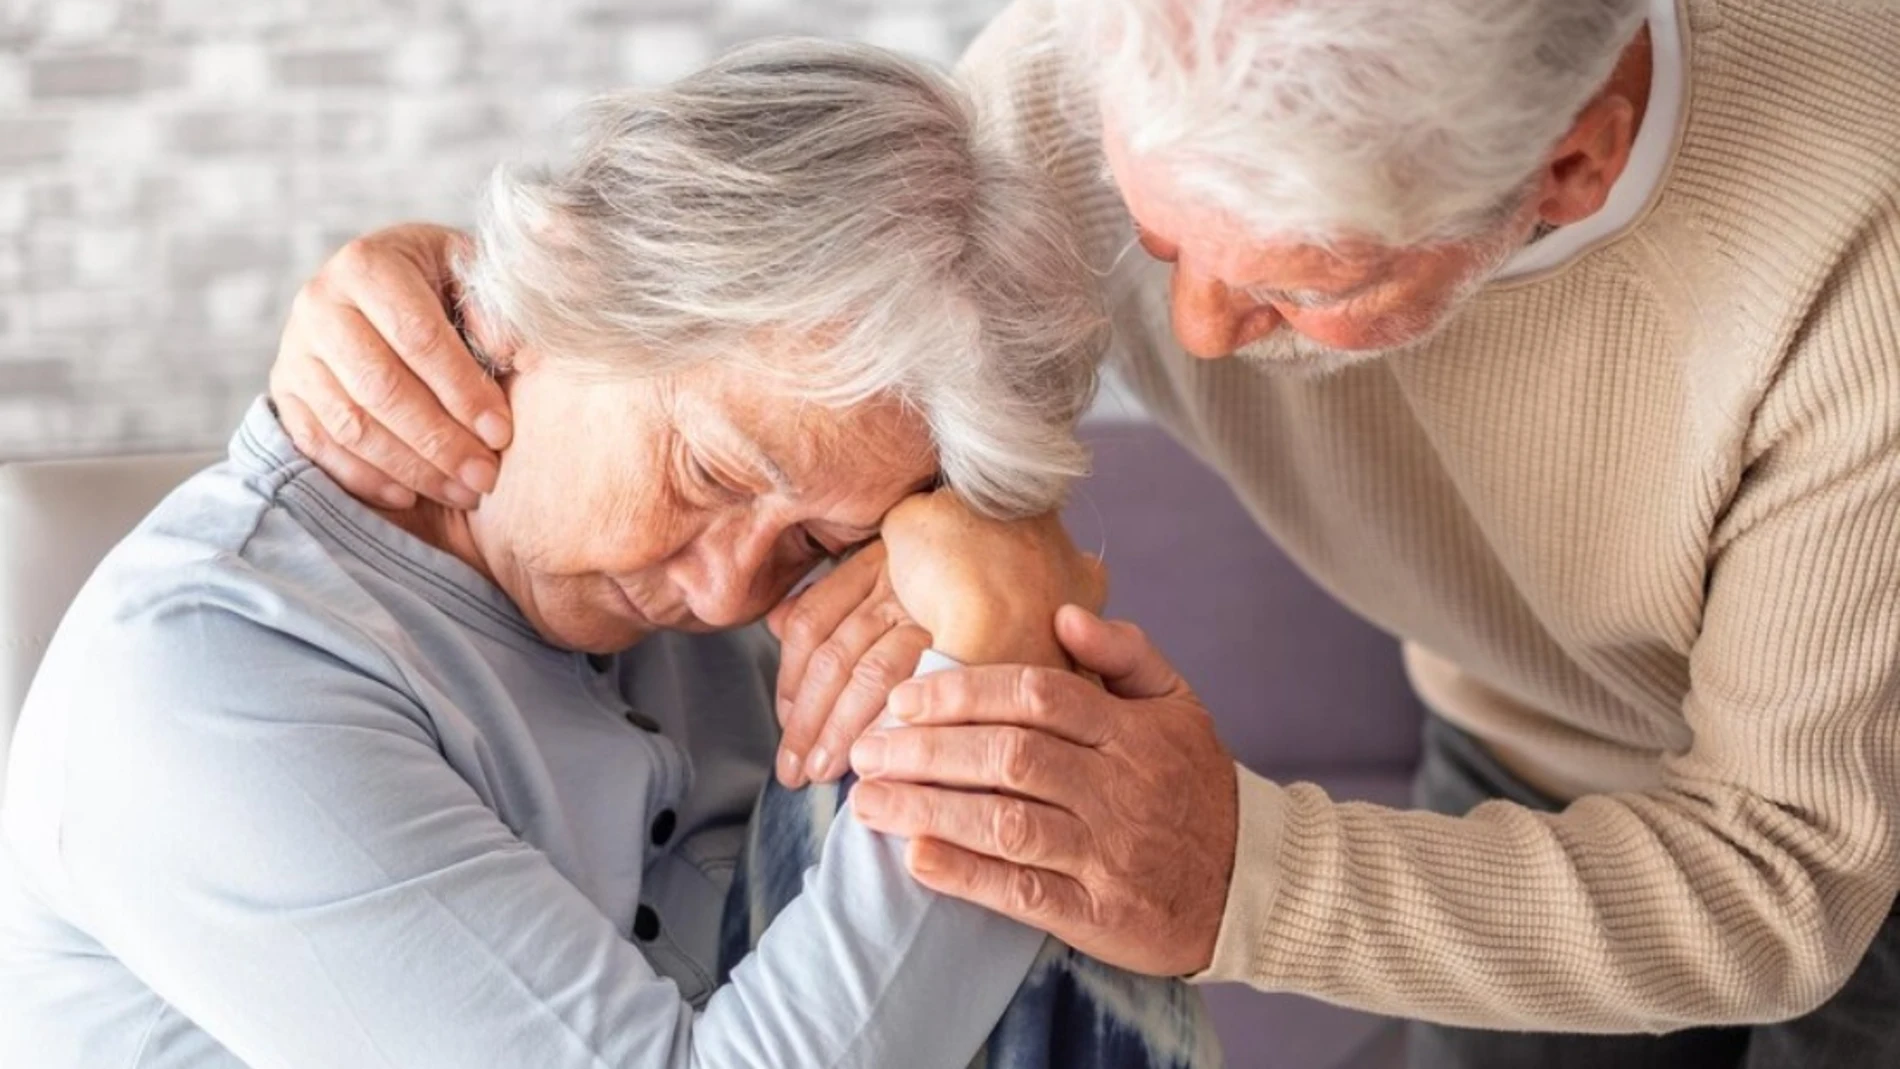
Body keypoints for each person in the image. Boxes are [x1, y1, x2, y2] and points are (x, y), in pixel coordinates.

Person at [264, 0, 1900, 1065]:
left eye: (1297, 288)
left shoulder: (1863, 240)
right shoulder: (1093, 71)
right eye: (1157, 231)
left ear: (1568, 166)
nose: (1188, 339)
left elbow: (1787, 879)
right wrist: (439, 292)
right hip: (1521, 742)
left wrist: (1234, 867)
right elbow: (734, 287)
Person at [0, 40, 1223, 1069]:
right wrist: (995, 660)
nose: (727, 589)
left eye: (813, 539)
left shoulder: (717, 589)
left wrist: (983, 570)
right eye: (709, 472)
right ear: (564, 279)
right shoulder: (217, 680)